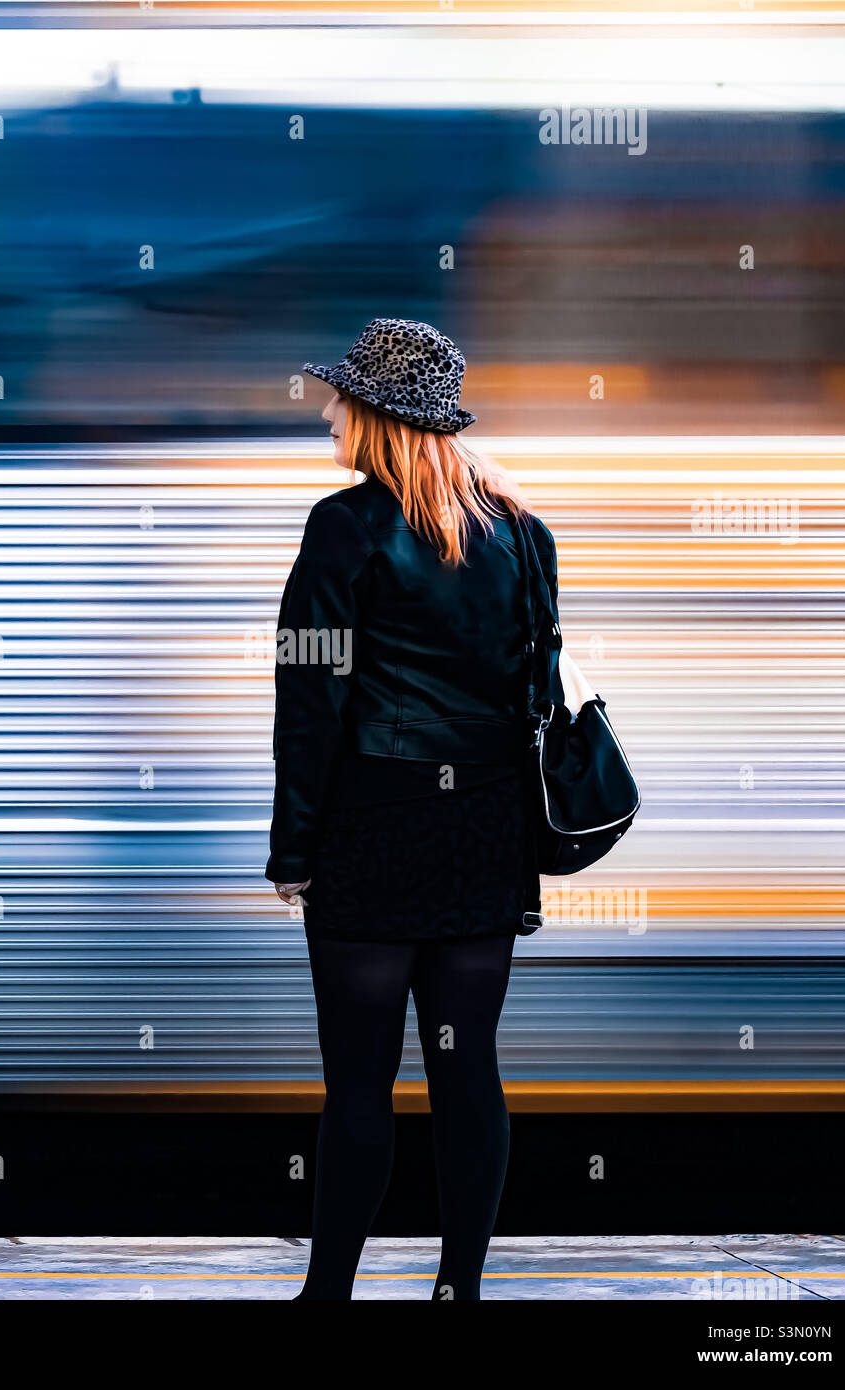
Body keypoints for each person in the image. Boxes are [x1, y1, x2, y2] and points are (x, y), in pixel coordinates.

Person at [265, 317, 563, 1301]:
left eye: (340, 399)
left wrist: (293, 846)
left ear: (377, 416)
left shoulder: (343, 528)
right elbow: (537, 693)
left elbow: (310, 697)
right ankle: (459, 1290)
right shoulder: (524, 533)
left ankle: (329, 1295)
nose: (328, 416)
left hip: (372, 829)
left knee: (359, 1080)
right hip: (484, 830)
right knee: (467, 1066)